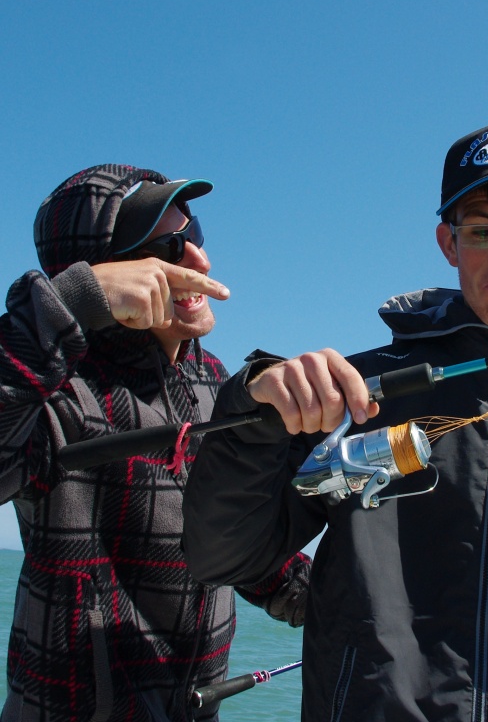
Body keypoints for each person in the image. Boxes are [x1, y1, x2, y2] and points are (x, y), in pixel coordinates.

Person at [182, 126, 488, 721]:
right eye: (482, 229)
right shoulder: (354, 393)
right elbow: (224, 558)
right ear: (449, 243)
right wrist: (254, 415)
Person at [0, 164, 310, 722]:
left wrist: (329, 594)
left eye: (195, 236)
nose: (200, 260)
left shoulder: (215, 381)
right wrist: (68, 303)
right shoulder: (53, 391)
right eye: (170, 247)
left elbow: (231, 539)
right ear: (109, 275)